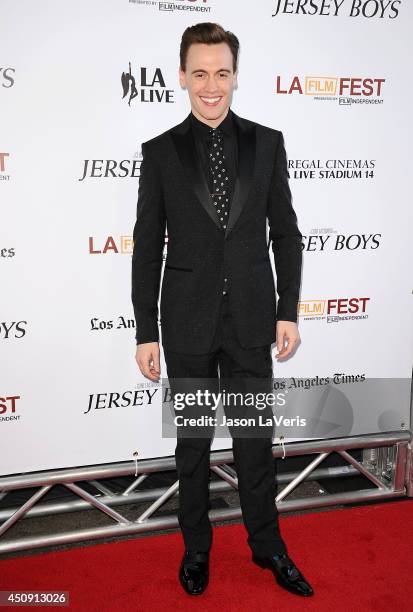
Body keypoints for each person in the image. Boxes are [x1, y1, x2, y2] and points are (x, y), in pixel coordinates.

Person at [132, 22, 313, 598]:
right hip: (184, 324)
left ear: (236, 76)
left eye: (223, 73)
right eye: (200, 73)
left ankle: (269, 548)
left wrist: (287, 309)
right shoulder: (159, 153)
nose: (212, 86)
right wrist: (145, 330)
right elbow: (147, 246)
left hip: (253, 321)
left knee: (256, 443)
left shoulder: (267, 143)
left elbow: (285, 232)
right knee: (192, 446)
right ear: (182, 76)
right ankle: (196, 550)